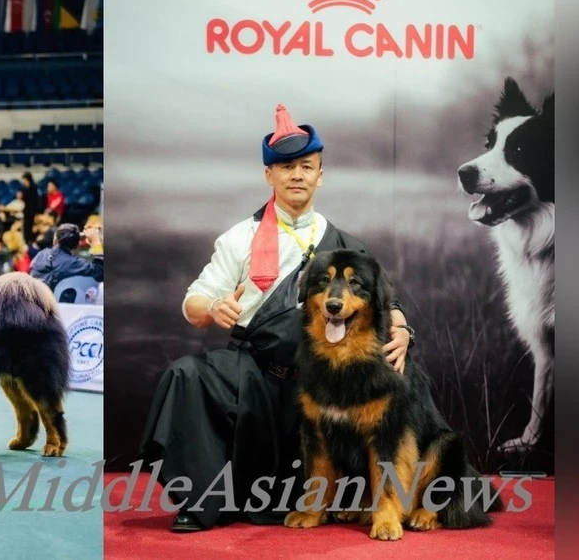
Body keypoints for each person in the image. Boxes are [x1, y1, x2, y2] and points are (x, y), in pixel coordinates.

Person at [138, 104, 414, 532]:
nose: (297, 175)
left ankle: (378, 500)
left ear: (321, 175)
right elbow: (193, 303)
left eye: (307, 166)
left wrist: (402, 329)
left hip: (321, 382)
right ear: (269, 175)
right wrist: (212, 308)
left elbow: (383, 300)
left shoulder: (346, 245)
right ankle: (202, 501)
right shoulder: (239, 238)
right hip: (256, 373)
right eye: (286, 167)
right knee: (187, 374)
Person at [29, 223, 104, 291]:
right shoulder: (73, 264)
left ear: (56, 239)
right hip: (62, 305)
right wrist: (96, 242)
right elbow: (101, 272)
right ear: (77, 245)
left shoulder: (42, 254)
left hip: (35, 302)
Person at [20, 171, 43, 244]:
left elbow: (35, 201)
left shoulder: (34, 188)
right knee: (26, 228)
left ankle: (31, 241)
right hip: (27, 211)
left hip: (33, 211)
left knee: (31, 228)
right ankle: (27, 241)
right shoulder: (24, 189)